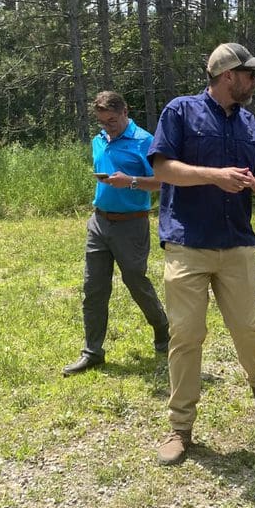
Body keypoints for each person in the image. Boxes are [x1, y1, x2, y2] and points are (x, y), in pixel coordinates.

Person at [147, 43, 255, 466]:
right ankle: (180, 427)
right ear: (228, 76)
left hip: (237, 242)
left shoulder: (248, 123)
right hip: (187, 242)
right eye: (250, 74)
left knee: (247, 328)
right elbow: (162, 168)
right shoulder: (180, 112)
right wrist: (214, 176)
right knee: (186, 335)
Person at [63, 91, 169, 377]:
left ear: (125, 112)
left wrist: (131, 182)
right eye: (101, 121)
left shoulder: (145, 141)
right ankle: (92, 352)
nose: (107, 126)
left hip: (131, 224)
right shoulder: (98, 140)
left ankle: (162, 327)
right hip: (98, 223)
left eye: (111, 120)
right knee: (93, 288)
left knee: (136, 281)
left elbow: (162, 182)